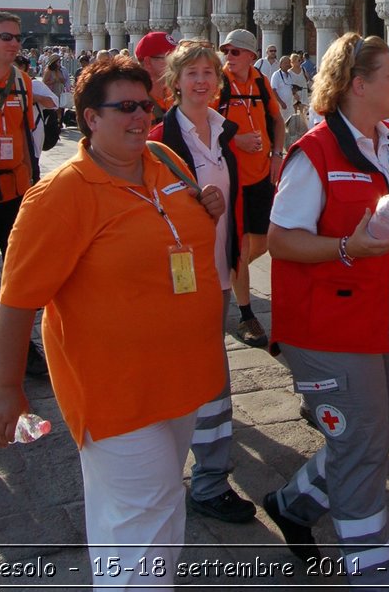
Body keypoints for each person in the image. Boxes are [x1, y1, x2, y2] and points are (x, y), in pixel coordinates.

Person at [0, 55, 226, 586]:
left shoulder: (165, 159)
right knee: (140, 519)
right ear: (89, 118)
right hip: (116, 391)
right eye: (124, 107)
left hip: (182, 376)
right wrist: (7, 388)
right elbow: (16, 302)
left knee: (162, 506)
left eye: (145, 104)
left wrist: (207, 206)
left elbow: (181, 222)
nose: (141, 116)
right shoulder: (60, 196)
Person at [265, 34, 389, 585]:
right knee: (363, 442)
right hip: (330, 326)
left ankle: (294, 504)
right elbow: (282, 240)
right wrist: (346, 249)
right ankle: (371, 571)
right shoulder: (314, 153)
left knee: (382, 430)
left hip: (385, 320)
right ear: (358, 85)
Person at [148, 39, 254, 525]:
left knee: (208, 375)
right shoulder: (158, 141)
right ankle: (207, 481)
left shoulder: (221, 131)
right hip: (177, 282)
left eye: (209, 72)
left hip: (214, 276)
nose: (202, 81)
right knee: (206, 377)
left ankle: (200, 475)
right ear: (174, 83)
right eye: (191, 73)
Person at [218, 29, 284, 347]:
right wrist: (236, 140)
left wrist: (277, 154)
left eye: (234, 51)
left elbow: (278, 120)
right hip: (231, 178)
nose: (228, 57)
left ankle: (230, 270)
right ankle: (246, 314)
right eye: (226, 51)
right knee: (242, 247)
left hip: (260, 175)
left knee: (264, 242)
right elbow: (201, 125)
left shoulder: (259, 81)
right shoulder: (218, 84)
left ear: (250, 56)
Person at [0, 15, 46, 377]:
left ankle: (23, 347)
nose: (14, 43)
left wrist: (33, 184)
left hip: (14, 191)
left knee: (20, 274)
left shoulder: (22, 82)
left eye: (17, 37)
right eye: (6, 37)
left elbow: (27, 137)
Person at [135, 31, 177, 122]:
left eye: (177, 57)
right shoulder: (133, 102)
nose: (176, 63)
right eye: (169, 58)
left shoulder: (179, 95)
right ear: (148, 62)